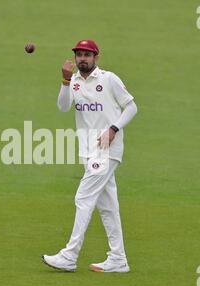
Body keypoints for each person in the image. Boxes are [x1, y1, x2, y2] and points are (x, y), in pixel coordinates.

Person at [42, 40, 138, 272]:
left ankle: (69, 255)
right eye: (79, 55)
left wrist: (113, 129)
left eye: (87, 55)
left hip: (106, 150)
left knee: (83, 198)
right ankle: (118, 259)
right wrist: (65, 81)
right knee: (108, 206)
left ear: (96, 57)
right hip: (88, 151)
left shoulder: (108, 79)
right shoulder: (73, 81)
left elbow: (132, 107)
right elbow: (64, 107)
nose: (82, 59)